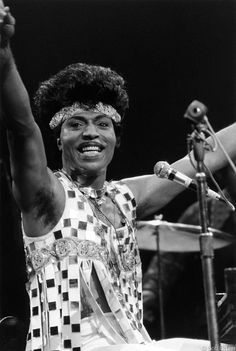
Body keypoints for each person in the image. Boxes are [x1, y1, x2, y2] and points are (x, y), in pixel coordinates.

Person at [0, 3, 236, 351]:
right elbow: (21, 128)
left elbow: (207, 155)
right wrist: (3, 52)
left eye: (103, 124)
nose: (91, 133)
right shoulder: (48, 197)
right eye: (76, 124)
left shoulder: (124, 197)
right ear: (59, 138)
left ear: (116, 138)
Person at [142, 165, 236, 341]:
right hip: (210, 323)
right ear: (222, 175)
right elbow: (165, 265)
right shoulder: (204, 212)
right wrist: (146, 300)